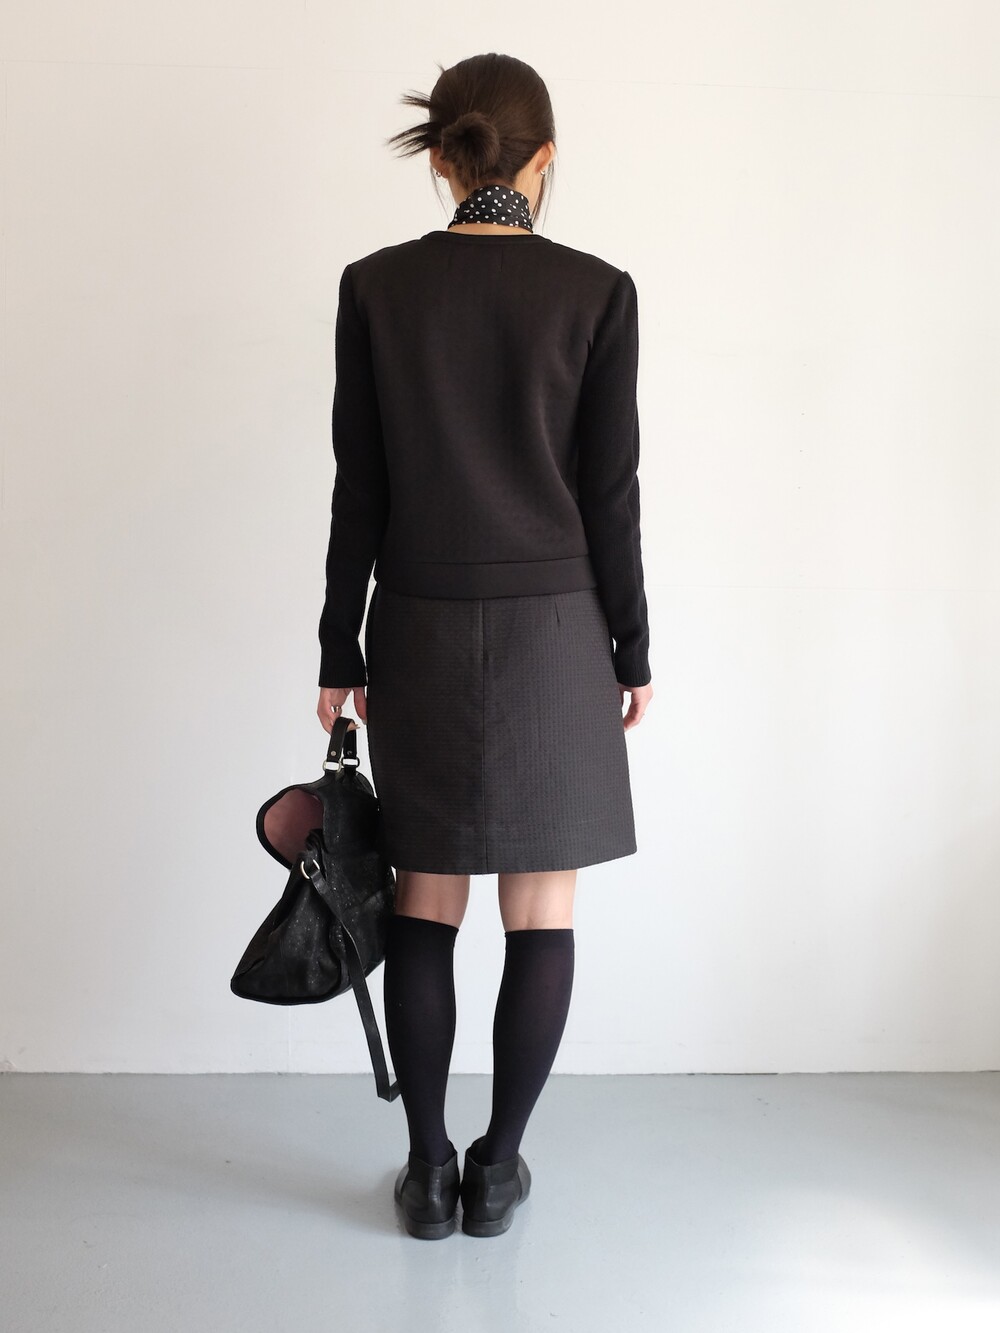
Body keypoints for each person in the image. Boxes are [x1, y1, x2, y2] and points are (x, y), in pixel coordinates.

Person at [315, 52, 653, 1240]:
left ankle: (425, 1173)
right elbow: (610, 496)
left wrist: (338, 651)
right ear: (542, 158)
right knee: (540, 911)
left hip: (416, 623)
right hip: (557, 634)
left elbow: (360, 487)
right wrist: (632, 648)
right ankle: (497, 1168)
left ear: (446, 159)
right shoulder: (596, 292)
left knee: (425, 897)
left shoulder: (377, 287)